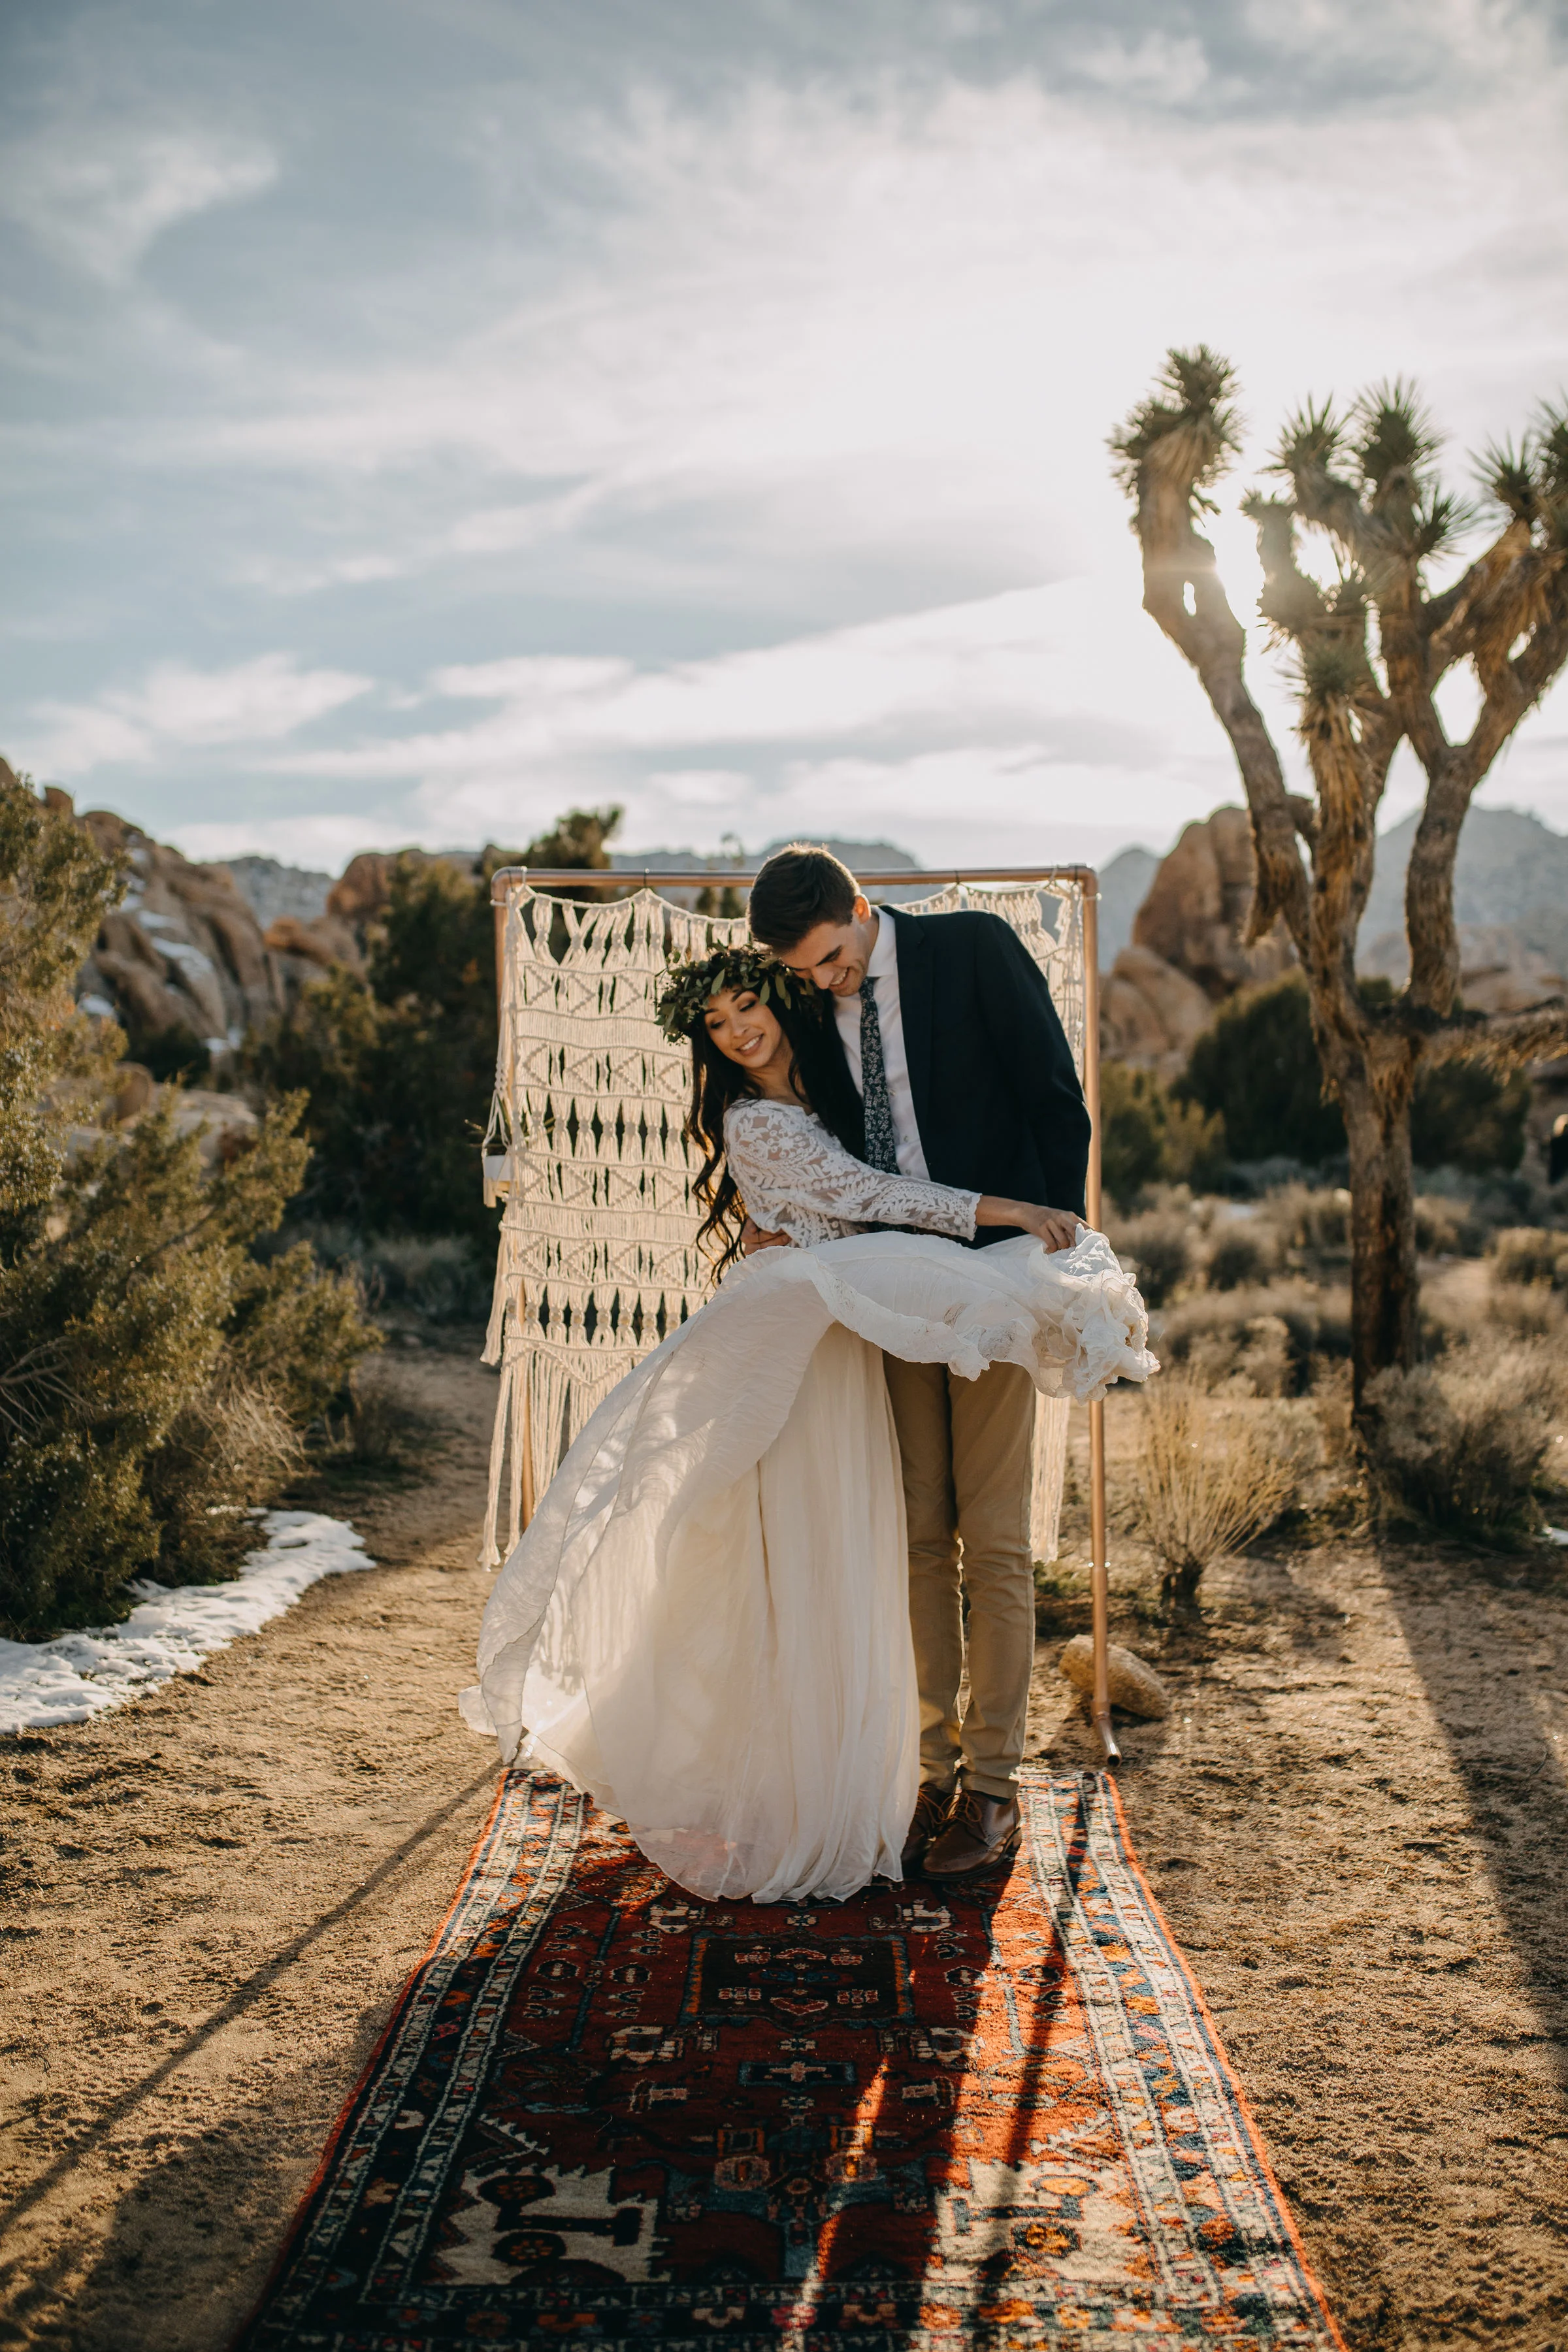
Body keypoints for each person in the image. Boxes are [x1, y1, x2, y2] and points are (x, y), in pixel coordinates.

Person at [461, 942, 1152, 1906]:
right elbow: (874, 1199)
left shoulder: (836, 1086)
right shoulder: (759, 1122)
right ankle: (907, 1774)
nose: (740, 1029)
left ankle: (986, 1789)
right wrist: (1004, 1210)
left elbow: (883, 1187)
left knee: (975, 1546)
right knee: (873, 1552)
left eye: (751, 1006)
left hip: (902, 1327)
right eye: (718, 1023)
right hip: (844, 1346)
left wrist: (1021, 1221)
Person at [746, 846, 1090, 1879]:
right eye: (808, 969)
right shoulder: (809, 1000)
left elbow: (1055, 1096)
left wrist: (1044, 1258)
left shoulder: (972, 948)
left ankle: (992, 1792)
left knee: (992, 1541)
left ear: (863, 908)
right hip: (889, 1289)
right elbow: (821, 1148)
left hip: (994, 1281)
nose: (826, 980)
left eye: (835, 958)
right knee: (916, 1535)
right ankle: (930, 1770)